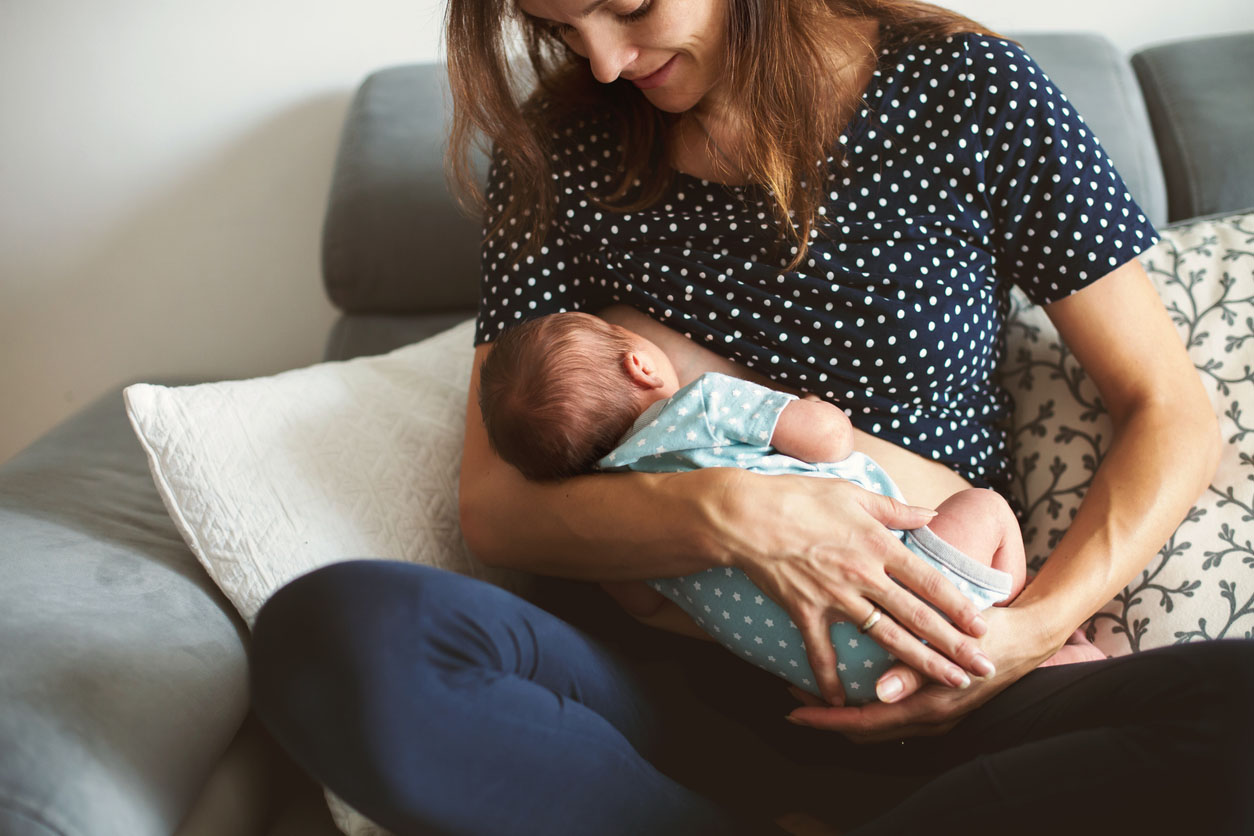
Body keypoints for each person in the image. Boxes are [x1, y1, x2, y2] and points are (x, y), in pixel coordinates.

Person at [249, 1, 1254, 834]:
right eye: (560, 27)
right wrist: (729, 511)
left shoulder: (967, 89)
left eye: (630, 7)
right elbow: (498, 506)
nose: (601, 61)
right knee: (339, 634)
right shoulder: (553, 153)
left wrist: (1020, 640)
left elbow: (1171, 412)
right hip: (676, 698)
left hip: (952, 681)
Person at [477, 310, 1103, 703]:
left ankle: (1033, 669)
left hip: (837, 678)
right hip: (914, 585)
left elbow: (643, 607)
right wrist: (807, 405)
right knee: (986, 508)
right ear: (638, 360)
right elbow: (830, 441)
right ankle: (1012, 617)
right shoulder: (703, 404)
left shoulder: (621, 522)